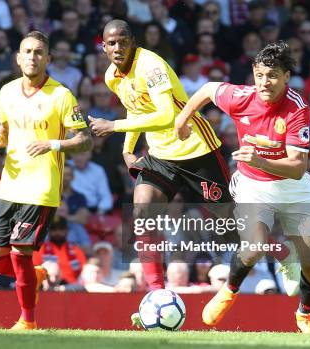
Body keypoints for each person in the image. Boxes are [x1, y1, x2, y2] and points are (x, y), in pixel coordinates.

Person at [87, 20, 234, 327]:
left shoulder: (150, 65)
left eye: (122, 42)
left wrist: (114, 128)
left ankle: (283, 254)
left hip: (196, 149)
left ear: (133, 42)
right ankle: (155, 294)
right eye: (111, 43)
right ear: (104, 47)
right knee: (141, 210)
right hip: (161, 156)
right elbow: (136, 110)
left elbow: (168, 115)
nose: (117, 48)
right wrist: (129, 147)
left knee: (231, 223)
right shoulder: (112, 77)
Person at [174, 41, 310, 333]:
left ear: (286, 77)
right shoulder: (242, 97)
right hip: (252, 185)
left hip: (294, 187)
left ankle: (304, 316)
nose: (264, 82)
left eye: (272, 75)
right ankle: (229, 290)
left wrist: (259, 159)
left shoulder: (297, 109)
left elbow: (297, 167)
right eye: (259, 75)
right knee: (254, 247)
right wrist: (182, 119)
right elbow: (206, 90)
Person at [0, 31, 92, 330]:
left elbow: (84, 140)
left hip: (41, 188)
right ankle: (37, 276)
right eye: (27, 51)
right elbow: (4, 131)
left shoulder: (61, 95)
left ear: (48, 59)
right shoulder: (7, 92)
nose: (32, 57)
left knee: (20, 251)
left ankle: (27, 321)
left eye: (39, 52)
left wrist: (52, 144)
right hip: (10, 184)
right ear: (18, 58)